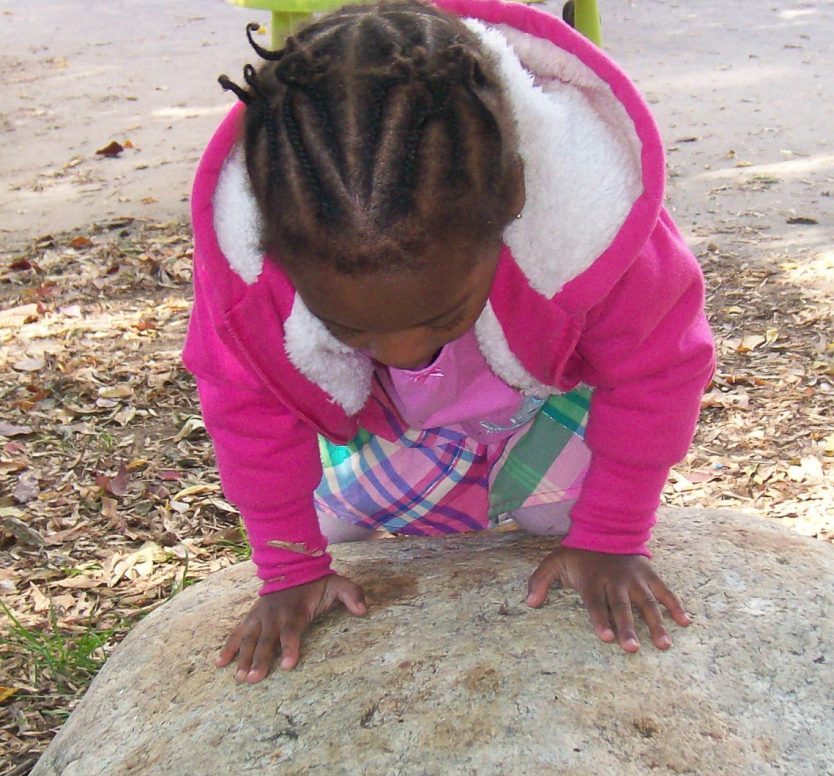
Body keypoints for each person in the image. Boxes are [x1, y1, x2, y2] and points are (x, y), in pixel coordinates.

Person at [184, 0, 715, 683]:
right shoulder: (252, 276)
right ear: (274, 250)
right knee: (325, 521)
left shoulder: (594, 229)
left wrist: (613, 534)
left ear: (513, 198)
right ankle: (446, 478)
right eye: (351, 329)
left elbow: (659, 371)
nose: (402, 353)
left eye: (441, 314)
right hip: (397, 426)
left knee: (558, 515)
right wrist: (289, 566)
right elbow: (247, 413)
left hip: (543, 404)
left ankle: (507, 475)